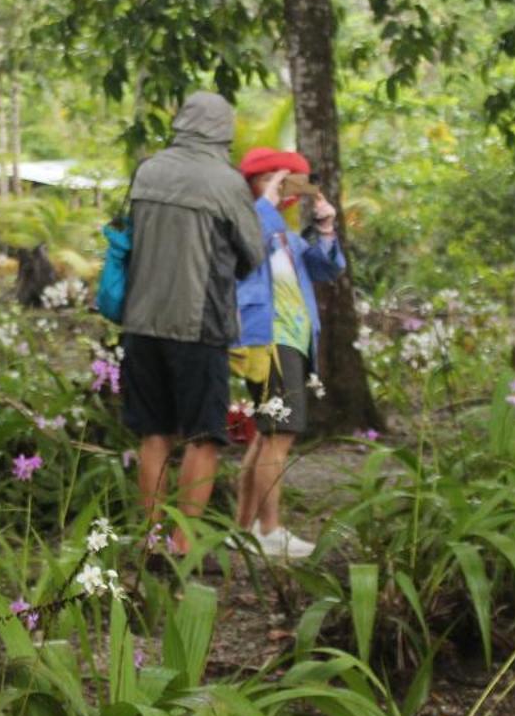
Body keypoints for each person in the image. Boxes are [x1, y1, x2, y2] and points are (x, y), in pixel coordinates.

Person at [119, 91, 265, 555]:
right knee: (203, 435)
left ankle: (152, 537)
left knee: (153, 432)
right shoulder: (226, 181)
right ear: (225, 129)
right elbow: (253, 253)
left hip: (140, 321)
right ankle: (183, 544)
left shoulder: (148, 170)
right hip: (197, 325)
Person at [230, 148, 347, 559]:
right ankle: (270, 530)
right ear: (258, 183)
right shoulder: (246, 221)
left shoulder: (284, 235)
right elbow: (242, 252)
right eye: (277, 179)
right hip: (270, 337)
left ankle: (244, 530)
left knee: (268, 433)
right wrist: (266, 203)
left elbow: (327, 268)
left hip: (295, 339)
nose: (286, 189)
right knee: (280, 434)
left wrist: (326, 226)